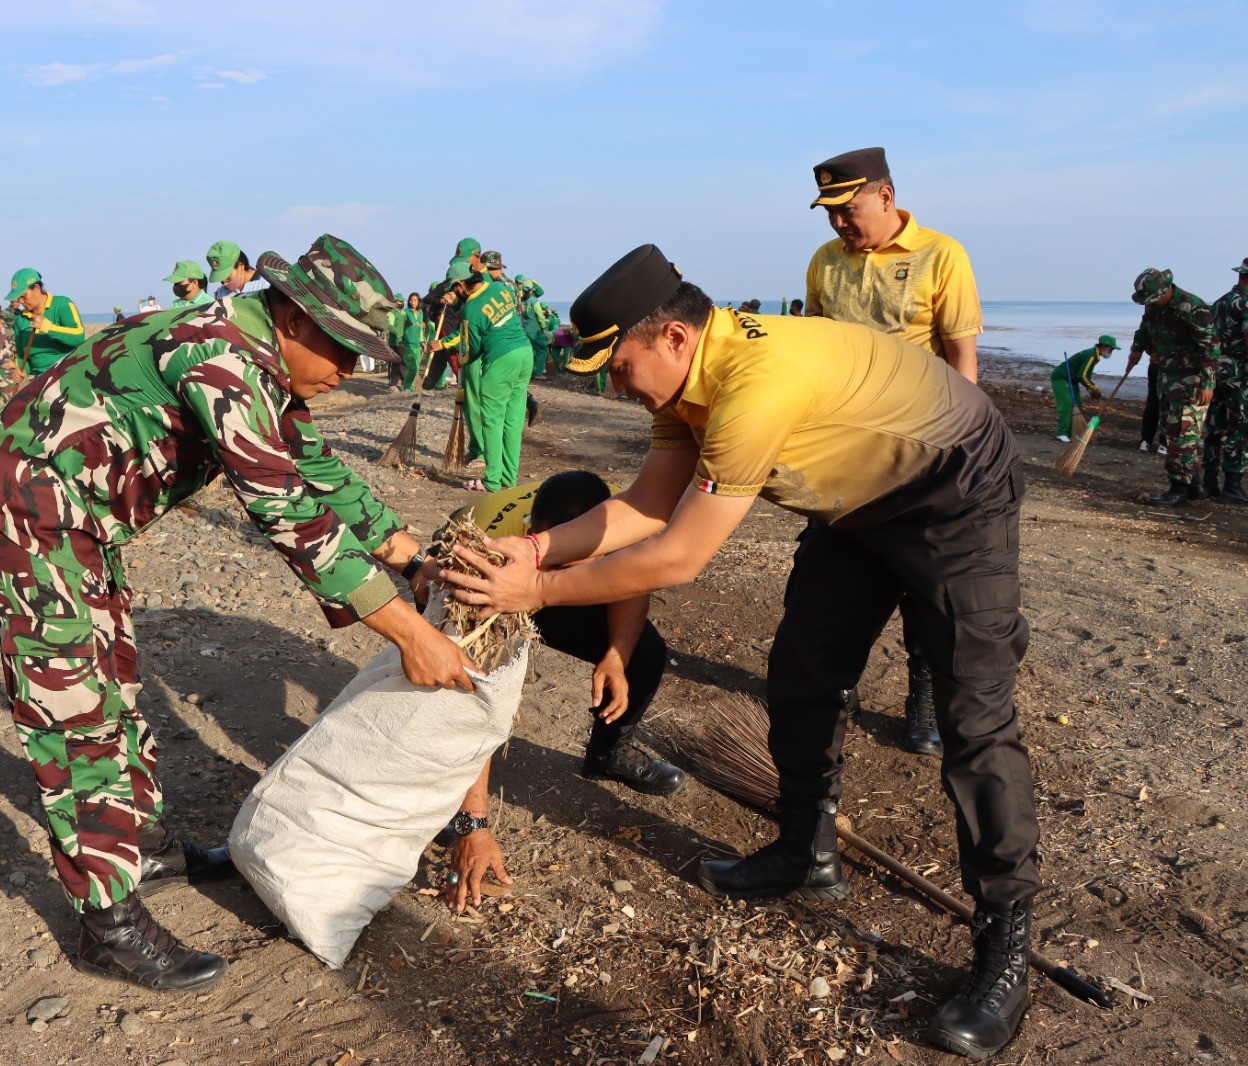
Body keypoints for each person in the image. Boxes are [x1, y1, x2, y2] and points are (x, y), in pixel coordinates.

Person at [448, 245, 1043, 1061]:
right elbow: (647, 507)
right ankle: (806, 850)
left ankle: (1004, 947)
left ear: (671, 338)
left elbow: (681, 557)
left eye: (617, 366)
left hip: (955, 492)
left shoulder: (756, 386)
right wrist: (538, 550)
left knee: (974, 717)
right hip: (857, 504)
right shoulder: (684, 389)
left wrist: (537, 595)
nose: (610, 386)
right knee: (803, 672)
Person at [0, 234, 466, 993]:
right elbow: (285, 507)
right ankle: (109, 924)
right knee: (77, 710)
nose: (350, 372)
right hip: (24, 509)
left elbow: (314, 467)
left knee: (119, 678)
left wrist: (404, 549)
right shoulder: (219, 359)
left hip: (79, 518)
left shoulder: (263, 365)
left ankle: (147, 847)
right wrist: (409, 631)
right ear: (293, 317)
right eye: (343, 349)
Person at [804, 147, 984, 756]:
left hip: (922, 448)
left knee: (924, 581)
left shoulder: (942, 254)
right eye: (828, 213)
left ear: (885, 196)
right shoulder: (825, 262)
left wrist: (965, 446)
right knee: (827, 570)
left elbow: (962, 358)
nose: (838, 224)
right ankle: (834, 684)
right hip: (843, 451)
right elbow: (815, 353)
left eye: (847, 209)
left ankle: (924, 700)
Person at [443, 472, 688, 913]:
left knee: (644, 652)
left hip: (540, 576)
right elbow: (473, 690)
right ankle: (447, 787)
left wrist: (615, 655)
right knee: (456, 685)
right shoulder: (485, 552)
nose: (563, 575)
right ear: (533, 534)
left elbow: (630, 584)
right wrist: (473, 823)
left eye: (576, 566)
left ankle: (609, 754)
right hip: (492, 578)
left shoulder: (619, 525)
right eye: (557, 565)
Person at [1125, 268, 1218, 506]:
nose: (1151, 304)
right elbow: (1145, 327)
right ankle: (1195, 485)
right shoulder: (1153, 305)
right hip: (1167, 376)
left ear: (1167, 291)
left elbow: (1210, 348)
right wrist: (1136, 349)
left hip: (1193, 380)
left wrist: (1207, 383)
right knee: (1169, 431)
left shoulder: (1193, 308)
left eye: (1153, 299)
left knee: (1184, 434)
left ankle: (1179, 490)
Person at [459, 251, 535, 494]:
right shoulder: (501, 289)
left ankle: (491, 481)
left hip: (501, 361)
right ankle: (508, 478)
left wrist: (464, 357)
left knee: (492, 422)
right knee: (513, 422)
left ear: (461, 284)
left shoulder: (470, 309)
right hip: (525, 353)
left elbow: (471, 351)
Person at [1204, 259, 1248, 504]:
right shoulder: (1246, 303)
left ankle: (1210, 480)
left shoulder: (1220, 302)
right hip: (1239, 373)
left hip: (1217, 369)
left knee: (1214, 426)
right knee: (1240, 428)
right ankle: (1232, 485)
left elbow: (1210, 338)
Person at [6, 268, 85, 376]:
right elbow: (22, 357)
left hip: (69, 375)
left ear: (37, 288)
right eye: (18, 298)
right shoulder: (20, 319)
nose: (20, 302)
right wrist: (23, 371)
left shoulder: (62, 304)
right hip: (42, 381)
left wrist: (48, 327)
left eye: (23, 296)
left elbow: (79, 337)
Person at [1050, 336, 1118, 441]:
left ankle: (1072, 432)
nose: (1112, 351)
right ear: (1103, 346)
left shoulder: (1095, 355)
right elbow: (1082, 376)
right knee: (1067, 404)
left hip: (1072, 380)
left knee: (1078, 404)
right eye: (1111, 348)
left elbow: (1086, 375)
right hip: (1061, 378)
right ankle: (1061, 433)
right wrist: (1094, 388)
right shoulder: (1091, 355)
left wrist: (1090, 389)